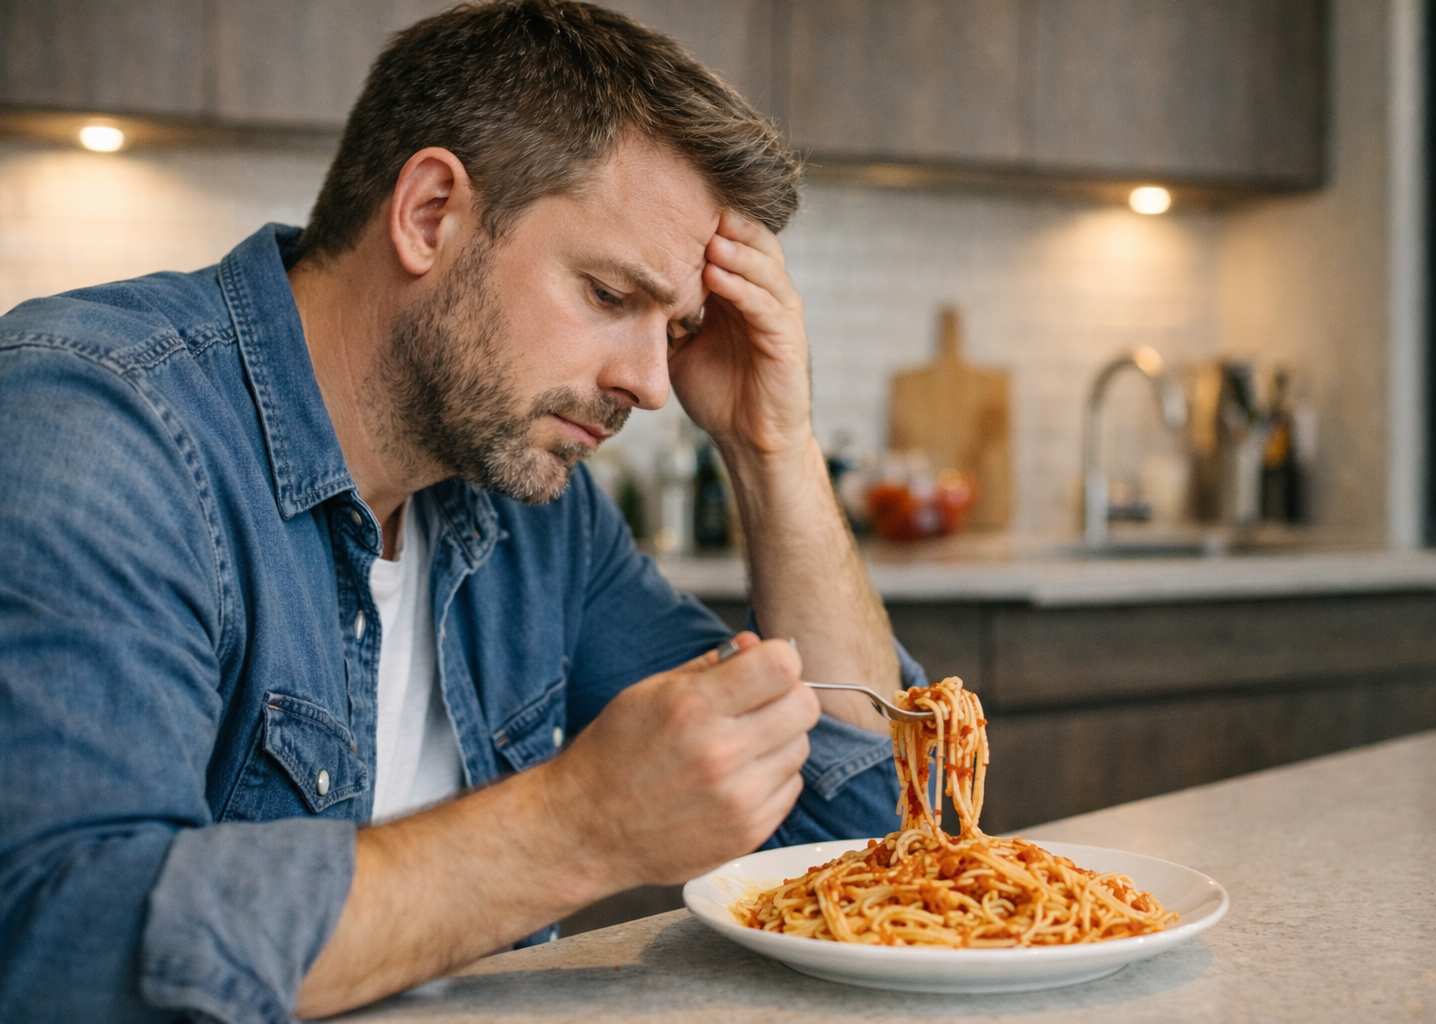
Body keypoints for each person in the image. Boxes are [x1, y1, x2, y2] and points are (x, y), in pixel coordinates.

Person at [0, 2, 926, 1020]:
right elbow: (60, 950)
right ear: (431, 213)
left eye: (681, 326)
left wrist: (771, 450)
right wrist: (577, 826)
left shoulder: (534, 511)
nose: (652, 383)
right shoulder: (98, 430)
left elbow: (866, 837)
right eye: (612, 296)